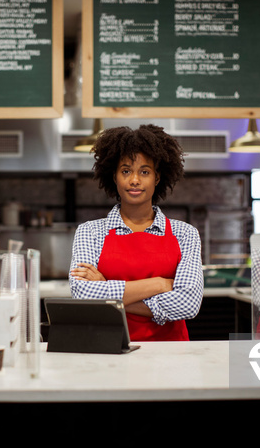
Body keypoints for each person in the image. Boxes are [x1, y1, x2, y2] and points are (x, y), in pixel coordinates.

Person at [69, 124, 203, 341]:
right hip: (108, 350)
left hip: (172, 356)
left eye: (144, 171)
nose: (134, 180)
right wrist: (160, 284)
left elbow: (188, 304)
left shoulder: (185, 234)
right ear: (114, 176)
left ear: (157, 178)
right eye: (126, 171)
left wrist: (105, 289)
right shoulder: (90, 232)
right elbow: (82, 294)